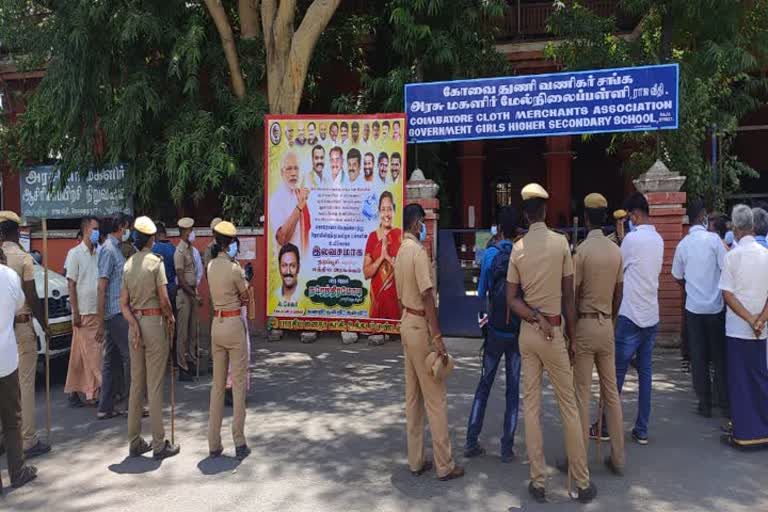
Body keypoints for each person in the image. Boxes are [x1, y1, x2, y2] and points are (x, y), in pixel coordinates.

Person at [506, 184, 596, 504]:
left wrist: (533, 316)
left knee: (531, 408)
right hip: (554, 332)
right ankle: (582, 483)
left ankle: (538, 481)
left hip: (529, 333)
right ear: (544, 210)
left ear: (525, 213)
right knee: (568, 407)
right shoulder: (561, 244)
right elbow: (569, 298)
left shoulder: (517, 249)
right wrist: (570, 337)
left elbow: (511, 300)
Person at [393, 203, 464, 481]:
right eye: (422, 223)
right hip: (420, 325)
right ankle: (444, 465)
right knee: (435, 397)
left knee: (413, 398)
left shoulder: (400, 252)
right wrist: (438, 338)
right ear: (416, 223)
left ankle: (415, 460)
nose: (423, 228)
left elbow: (402, 296)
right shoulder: (417, 253)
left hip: (406, 323)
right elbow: (427, 297)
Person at [595, 192, 664, 446]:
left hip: (630, 314)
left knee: (616, 374)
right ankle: (642, 429)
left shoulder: (632, 240)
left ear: (633, 215)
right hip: (651, 314)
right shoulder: (658, 239)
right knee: (645, 373)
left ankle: (605, 425)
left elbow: (617, 270)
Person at [570, 193, 625, 475]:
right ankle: (618, 456)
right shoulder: (616, 251)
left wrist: (571, 331)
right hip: (606, 325)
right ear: (604, 217)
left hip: (585, 324)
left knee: (581, 394)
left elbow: (574, 294)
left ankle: (578, 460)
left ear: (586, 216)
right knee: (611, 393)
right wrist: (611, 319)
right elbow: (619, 293)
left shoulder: (581, 252)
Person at [464, 207, 521, 464]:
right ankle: (507, 449)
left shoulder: (489, 255)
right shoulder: (523, 255)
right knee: (513, 389)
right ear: (517, 229)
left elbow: (480, 297)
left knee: (484, 386)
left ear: (498, 228)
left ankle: (471, 440)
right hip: (517, 333)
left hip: (495, 333)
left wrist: (484, 328)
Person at [121, 216, 179, 460]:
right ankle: (158, 444)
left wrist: (133, 323)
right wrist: (171, 318)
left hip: (135, 325)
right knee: (154, 386)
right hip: (154, 323)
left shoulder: (128, 265)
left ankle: (134, 441)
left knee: (137, 385)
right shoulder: (156, 263)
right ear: (151, 239)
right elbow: (164, 299)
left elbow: (122, 304)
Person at [0, 211, 50, 458]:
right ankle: (28, 439)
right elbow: (31, 296)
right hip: (20, 326)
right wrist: (45, 324)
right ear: (16, 232)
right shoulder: (23, 258)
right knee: (25, 384)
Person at [672, 199, 728, 419]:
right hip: (715, 308)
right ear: (703, 216)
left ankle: (704, 404)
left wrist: (690, 288)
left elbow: (677, 276)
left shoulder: (683, 244)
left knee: (699, 357)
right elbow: (726, 269)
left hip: (693, 309)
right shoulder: (714, 241)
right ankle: (724, 403)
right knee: (719, 357)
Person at [718, 205, 768, 448]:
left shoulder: (731, 257)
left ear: (735, 229)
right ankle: (762, 429)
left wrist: (749, 319)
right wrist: (760, 320)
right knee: (759, 378)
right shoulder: (766, 255)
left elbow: (727, 295)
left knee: (739, 381)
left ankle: (744, 433)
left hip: (739, 328)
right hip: (762, 329)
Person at [206, 221, 251, 460]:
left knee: (217, 385)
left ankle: (213, 442)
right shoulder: (234, 269)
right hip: (233, 324)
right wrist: (247, 281)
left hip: (217, 324)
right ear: (230, 243)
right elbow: (244, 297)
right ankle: (239, 441)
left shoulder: (211, 266)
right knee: (239, 384)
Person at [0, 247, 38, 489]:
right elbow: (19, 306)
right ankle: (17, 470)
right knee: (12, 419)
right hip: (5, 360)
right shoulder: (9, 276)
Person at [96, 214, 133, 420]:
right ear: (120, 227)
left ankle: (105, 406)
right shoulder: (109, 251)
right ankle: (132, 404)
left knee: (111, 360)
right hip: (116, 313)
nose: (128, 232)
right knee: (130, 357)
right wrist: (101, 321)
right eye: (127, 227)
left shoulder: (116, 249)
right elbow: (101, 287)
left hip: (114, 312)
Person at [65, 216, 103, 406]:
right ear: (87, 230)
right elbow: (71, 284)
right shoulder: (74, 253)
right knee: (93, 354)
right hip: (84, 311)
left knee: (81, 353)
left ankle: (73, 391)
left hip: (97, 310)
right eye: (95, 228)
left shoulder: (99, 253)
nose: (98, 232)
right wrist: (75, 311)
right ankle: (93, 391)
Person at [364, 192, 402, 320]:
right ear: (379, 211)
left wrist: (390, 260)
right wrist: (381, 257)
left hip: (395, 299)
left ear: (394, 210)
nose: (386, 214)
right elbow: (366, 273)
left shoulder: (399, 235)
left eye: (389, 209)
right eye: (383, 209)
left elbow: (404, 271)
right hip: (377, 300)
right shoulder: (372, 237)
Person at [175, 217, 201, 381]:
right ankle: (182, 366)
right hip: (184, 295)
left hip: (191, 292)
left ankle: (191, 361)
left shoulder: (191, 250)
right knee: (182, 333)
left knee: (193, 332)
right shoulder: (179, 252)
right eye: (190, 230)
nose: (192, 233)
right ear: (185, 232)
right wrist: (193, 294)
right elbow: (181, 278)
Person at [272, 151, 311, 252]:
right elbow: (282, 238)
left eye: (296, 168)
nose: (293, 173)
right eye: (289, 169)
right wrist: (300, 206)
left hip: (304, 261)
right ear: (282, 172)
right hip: (288, 263)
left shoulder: (298, 193)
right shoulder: (277, 198)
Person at [152, 222, 177, 312]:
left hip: (159, 289)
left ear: (156, 235)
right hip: (172, 287)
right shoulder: (174, 249)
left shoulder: (153, 250)